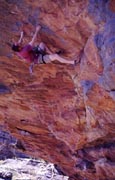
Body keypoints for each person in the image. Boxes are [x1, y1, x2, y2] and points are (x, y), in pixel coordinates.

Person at [12, 25, 76, 74]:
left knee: (42, 44)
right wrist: (37, 30)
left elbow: (19, 43)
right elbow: (33, 40)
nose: (17, 42)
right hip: (38, 59)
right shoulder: (24, 50)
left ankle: (51, 54)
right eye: (17, 44)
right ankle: (71, 62)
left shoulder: (18, 49)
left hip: (36, 54)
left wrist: (21, 36)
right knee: (56, 57)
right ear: (19, 48)